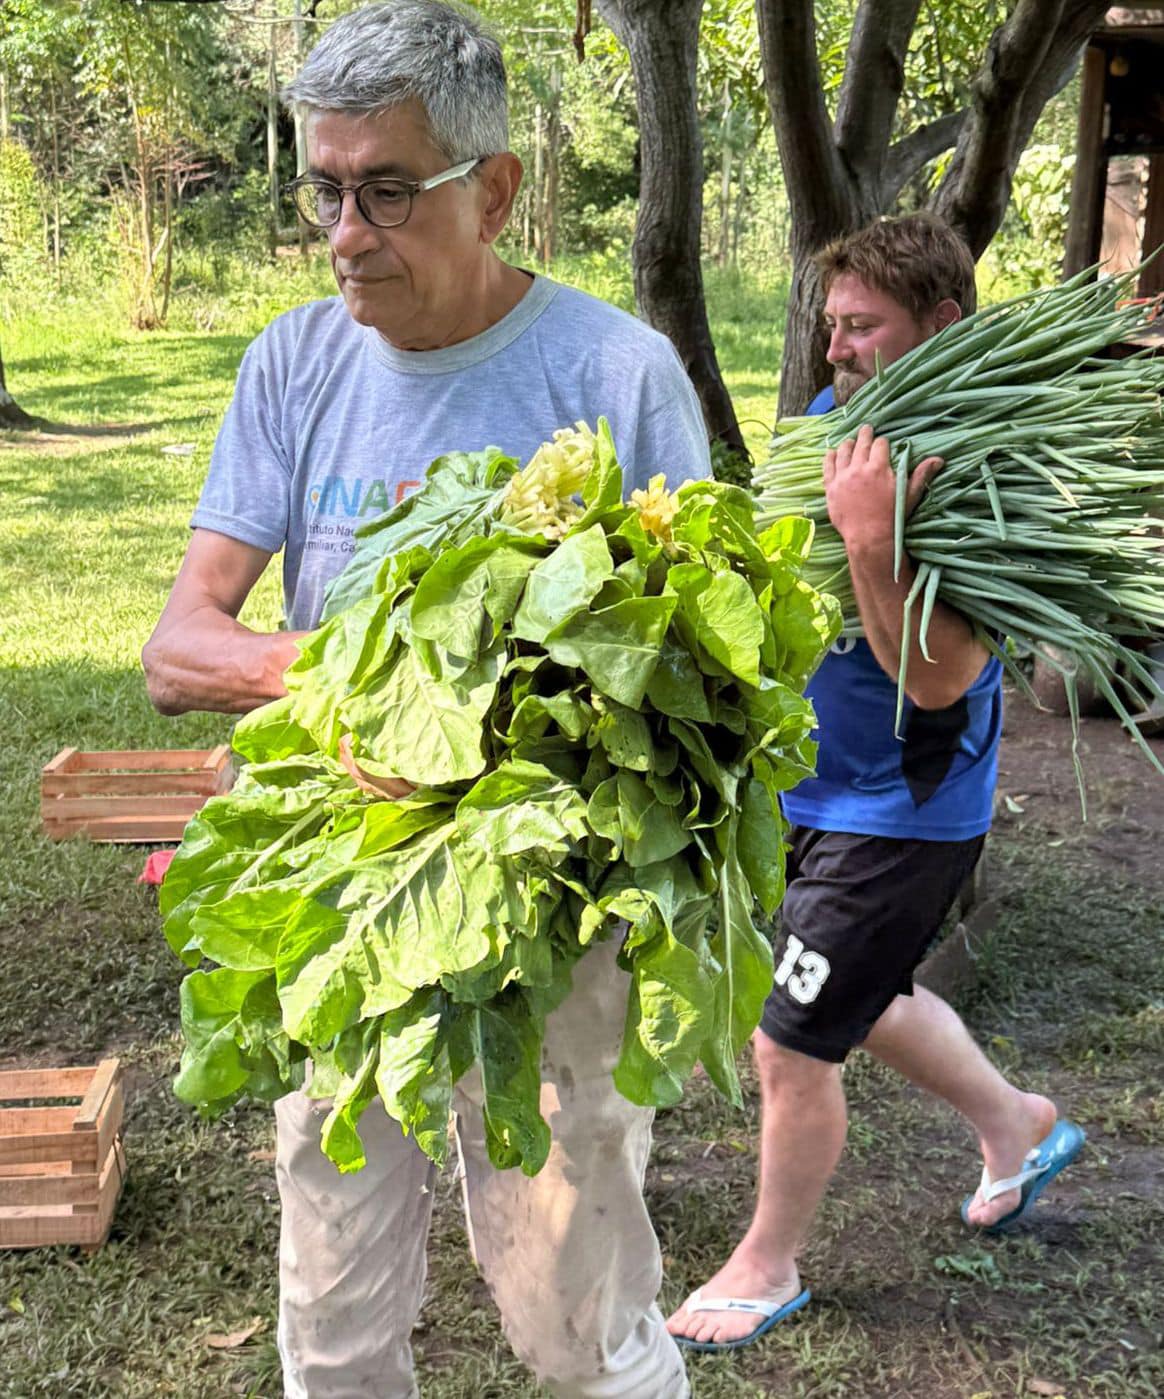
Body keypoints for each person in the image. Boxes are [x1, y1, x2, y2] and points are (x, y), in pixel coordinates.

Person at [142, 4, 710, 1395]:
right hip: (348, 905)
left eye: (388, 190)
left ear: (495, 188)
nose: (345, 231)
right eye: (325, 189)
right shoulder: (293, 364)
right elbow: (180, 648)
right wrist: (397, 684)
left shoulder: (614, 377)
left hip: (553, 926)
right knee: (330, 1322)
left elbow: (692, 678)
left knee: (576, 1326)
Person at [666, 214, 1084, 1353]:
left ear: (940, 329)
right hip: (801, 786)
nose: (834, 349)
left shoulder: (997, 481)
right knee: (860, 988)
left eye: (862, 327)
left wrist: (870, 540)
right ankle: (1017, 1122)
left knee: (790, 1037)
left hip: (900, 809)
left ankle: (768, 1263)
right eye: (831, 325)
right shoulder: (827, 433)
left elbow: (941, 680)